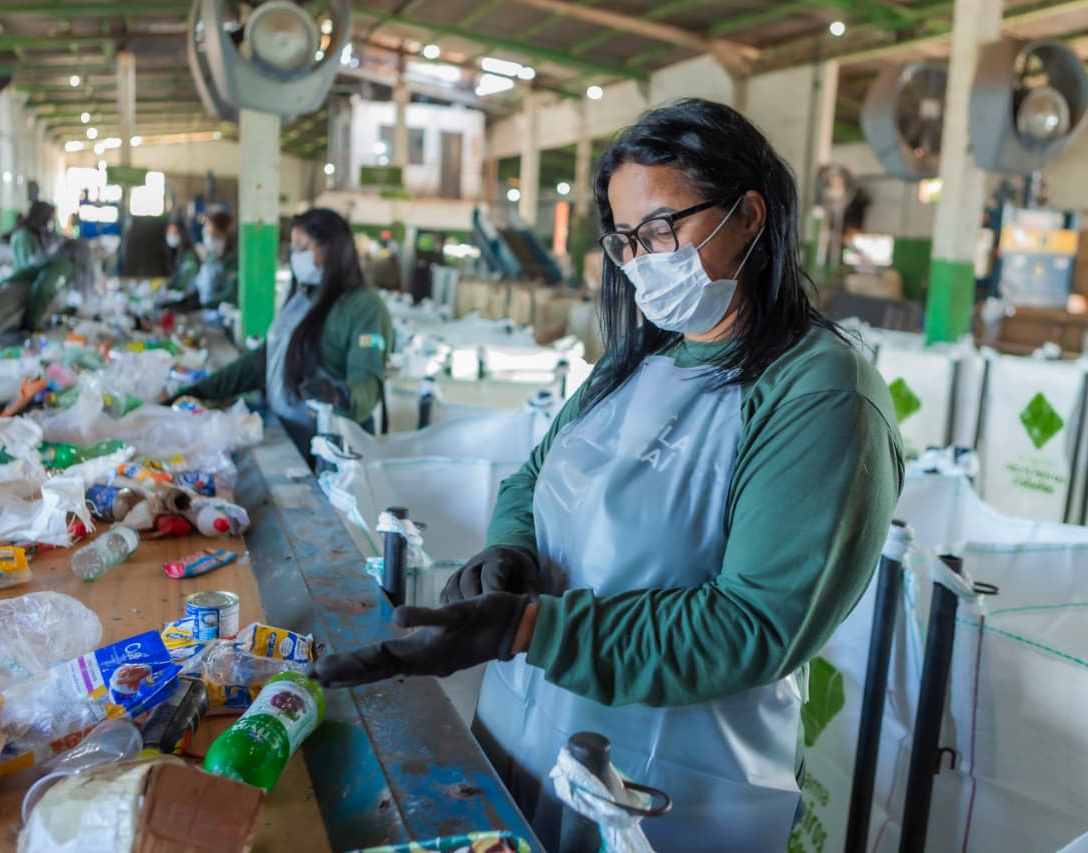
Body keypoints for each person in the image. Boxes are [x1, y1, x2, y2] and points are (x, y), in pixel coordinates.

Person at [312, 99, 905, 850]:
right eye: (625, 240)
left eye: (662, 228)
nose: (640, 259)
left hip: (664, 790)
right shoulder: (640, 359)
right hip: (524, 739)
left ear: (749, 215)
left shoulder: (818, 392)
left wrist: (532, 625)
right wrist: (511, 552)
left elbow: (753, 625)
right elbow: (536, 476)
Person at [176, 208, 393, 460]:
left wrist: (340, 393)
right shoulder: (303, 298)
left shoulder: (363, 307)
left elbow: (368, 381)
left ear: (328, 250)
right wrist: (200, 391)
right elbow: (263, 359)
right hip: (291, 433)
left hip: (332, 448)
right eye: (293, 248)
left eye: (301, 247)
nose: (294, 256)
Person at [167, 210, 238, 311]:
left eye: (213, 235)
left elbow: (231, 294)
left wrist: (204, 305)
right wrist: (187, 301)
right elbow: (202, 287)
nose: (208, 239)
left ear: (225, 234)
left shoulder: (233, 260)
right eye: (207, 235)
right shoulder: (211, 258)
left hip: (223, 316)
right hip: (208, 315)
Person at [10, 201, 55, 271]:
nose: (50, 222)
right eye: (49, 218)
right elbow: (27, 268)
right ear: (42, 216)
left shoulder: (33, 234)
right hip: (24, 280)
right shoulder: (24, 236)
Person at [163, 217, 199, 293]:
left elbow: (186, 279)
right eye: (169, 233)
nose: (171, 236)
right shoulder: (176, 252)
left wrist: (171, 287)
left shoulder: (188, 255)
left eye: (174, 233)